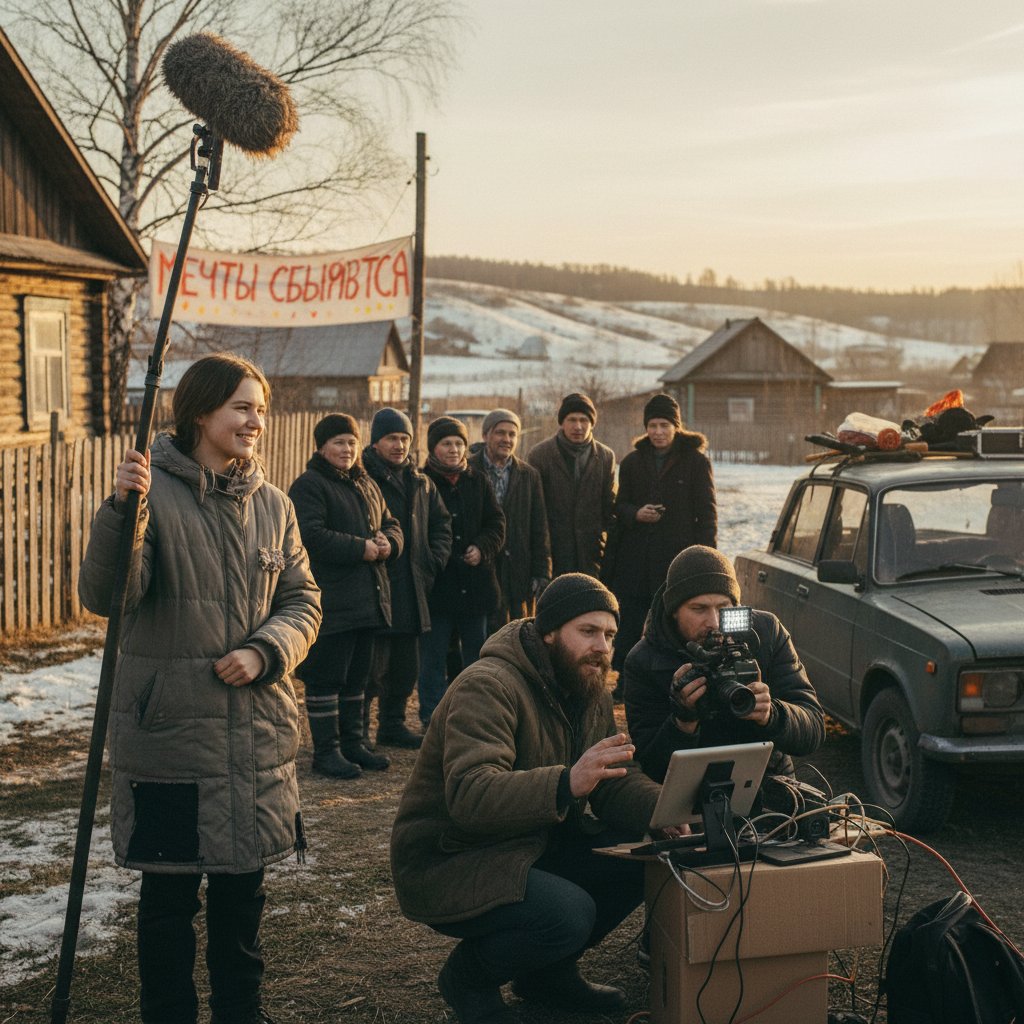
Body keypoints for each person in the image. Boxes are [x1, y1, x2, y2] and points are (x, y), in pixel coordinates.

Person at [78, 353, 322, 1024]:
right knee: (168, 909)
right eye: (243, 407)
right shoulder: (150, 495)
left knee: (243, 903)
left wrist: (266, 650)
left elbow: (304, 601)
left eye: (261, 410)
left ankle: (242, 1014)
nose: (256, 421)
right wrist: (122, 509)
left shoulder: (275, 506)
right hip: (171, 739)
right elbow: (108, 595)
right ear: (200, 412)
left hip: (256, 736)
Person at [391, 574, 664, 1024]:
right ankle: (469, 979)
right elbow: (470, 794)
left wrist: (666, 810)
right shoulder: (488, 685)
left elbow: (611, 777)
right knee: (566, 914)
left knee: (641, 854)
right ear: (549, 631)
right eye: (588, 631)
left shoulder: (588, 684)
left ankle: (545, 975)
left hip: (529, 842)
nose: (602, 646)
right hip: (452, 858)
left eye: (610, 635)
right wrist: (566, 783)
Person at [623, 545, 825, 785]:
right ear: (673, 611)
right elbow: (651, 766)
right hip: (689, 792)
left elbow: (813, 729)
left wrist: (772, 714)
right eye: (698, 609)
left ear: (736, 604)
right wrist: (682, 723)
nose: (713, 622)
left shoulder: (765, 633)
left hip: (768, 782)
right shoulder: (645, 661)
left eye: (723, 608)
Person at [288, 414, 403, 778]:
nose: (347, 449)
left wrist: (390, 542)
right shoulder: (309, 485)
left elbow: (391, 523)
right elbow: (309, 535)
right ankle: (327, 752)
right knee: (327, 678)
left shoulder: (366, 483)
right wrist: (361, 549)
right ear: (321, 447)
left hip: (368, 600)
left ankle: (354, 743)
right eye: (339, 442)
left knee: (359, 678)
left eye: (352, 443)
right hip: (331, 602)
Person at [603, 393, 717, 694]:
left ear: (676, 427)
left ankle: (675, 679)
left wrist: (705, 561)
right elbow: (620, 505)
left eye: (664, 425)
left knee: (672, 621)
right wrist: (635, 513)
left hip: (677, 559)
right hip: (636, 558)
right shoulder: (631, 462)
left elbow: (706, 515)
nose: (658, 432)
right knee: (631, 623)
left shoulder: (695, 462)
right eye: (652, 425)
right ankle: (627, 680)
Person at [362, 407, 453, 749]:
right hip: (377, 585)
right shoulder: (364, 478)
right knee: (372, 668)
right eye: (391, 438)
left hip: (414, 586)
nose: (399, 445)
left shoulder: (421, 483)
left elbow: (442, 525)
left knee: (405, 666)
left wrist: (433, 562)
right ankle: (360, 731)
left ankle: (392, 724)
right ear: (375, 443)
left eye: (404, 438)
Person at [418, 415, 505, 725]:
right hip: (437, 588)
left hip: (475, 586)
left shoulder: (477, 480)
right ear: (433, 448)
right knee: (433, 657)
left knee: (476, 657)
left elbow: (496, 523)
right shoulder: (421, 482)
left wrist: (482, 548)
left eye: (459, 443)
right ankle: (433, 716)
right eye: (446, 443)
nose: (453, 449)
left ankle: (474, 715)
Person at [467, 408, 551, 632]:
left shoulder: (529, 475)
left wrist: (541, 573)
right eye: (500, 433)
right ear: (486, 435)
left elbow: (539, 527)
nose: (507, 439)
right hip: (479, 570)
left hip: (518, 572)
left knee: (516, 636)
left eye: (512, 434)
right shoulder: (469, 470)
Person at [528, 391, 616, 577]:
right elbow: (535, 509)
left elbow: (609, 506)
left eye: (584, 420)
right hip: (554, 552)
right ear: (562, 422)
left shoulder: (605, 456)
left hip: (592, 552)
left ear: (592, 423)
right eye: (572, 420)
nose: (578, 426)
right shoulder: (540, 455)